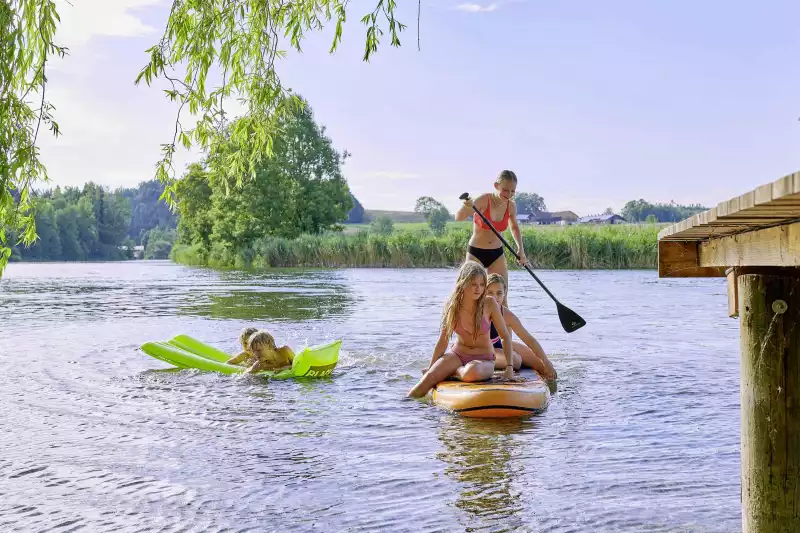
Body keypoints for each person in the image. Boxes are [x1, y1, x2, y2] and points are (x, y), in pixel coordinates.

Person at [407, 261, 516, 398]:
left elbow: (505, 337)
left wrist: (509, 368)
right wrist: (432, 367)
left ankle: (453, 372)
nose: (478, 289)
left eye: (482, 285)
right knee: (428, 379)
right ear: (463, 283)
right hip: (457, 354)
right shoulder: (453, 306)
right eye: (473, 284)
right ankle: (404, 409)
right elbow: (443, 341)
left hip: (485, 359)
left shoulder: (489, 304)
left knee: (471, 372)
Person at [454, 169, 528, 307]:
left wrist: (520, 250)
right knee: (471, 297)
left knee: (502, 298)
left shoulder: (511, 206)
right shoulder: (483, 200)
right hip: (476, 252)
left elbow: (515, 228)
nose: (509, 194)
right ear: (496, 186)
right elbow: (458, 217)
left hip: (496, 253)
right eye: (505, 190)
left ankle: (503, 329)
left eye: (513, 191)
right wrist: (466, 206)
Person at [486, 273, 557, 381]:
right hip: (484, 349)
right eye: (490, 293)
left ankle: (552, 393)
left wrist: (546, 361)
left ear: (505, 293)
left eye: (499, 293)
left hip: (498, 345)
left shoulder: (507, 315)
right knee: (516, 360)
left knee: (543, 366)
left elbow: (529, 339)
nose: (495, 297)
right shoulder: (480, 311)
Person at [226, 330, 295, 374]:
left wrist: (283, 368)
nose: (255, 354)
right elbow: (246, 374)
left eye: (259, 350)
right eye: (253, 351)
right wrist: (253, 369)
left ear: (269, 346)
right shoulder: (260, 364)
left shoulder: (284, 351)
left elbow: (297, 364)